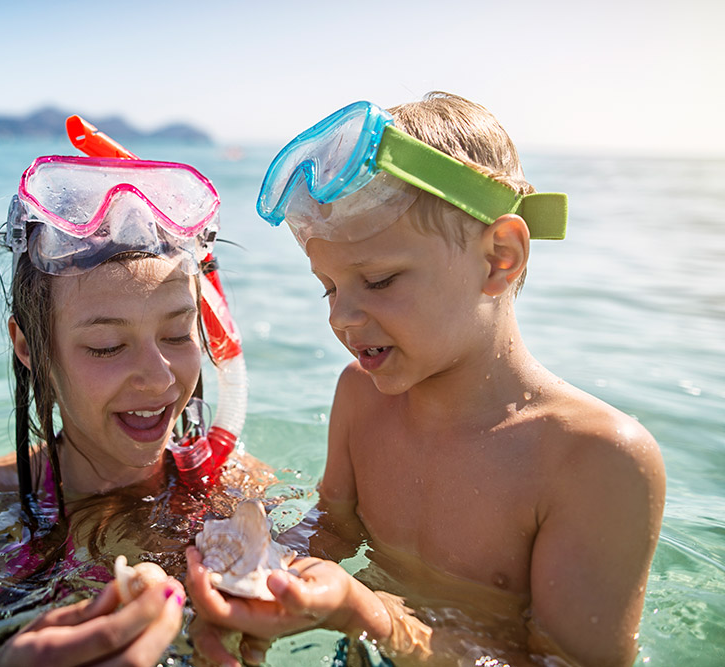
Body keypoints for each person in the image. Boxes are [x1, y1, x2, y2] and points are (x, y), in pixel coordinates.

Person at [186, 93, 665, 666]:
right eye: (329, 287)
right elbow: (331, 528)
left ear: (498, 258)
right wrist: (257, 578)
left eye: (381, 280)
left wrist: (370, 615)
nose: (340, 317)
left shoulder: (593, 459)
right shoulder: (360, 397)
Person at [0, 153, 269, 666]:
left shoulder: (235, 488)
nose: (159, 378)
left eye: (178, 334)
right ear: (29, 346)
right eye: (107, 345)